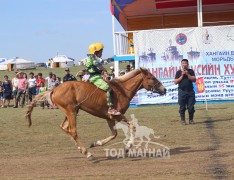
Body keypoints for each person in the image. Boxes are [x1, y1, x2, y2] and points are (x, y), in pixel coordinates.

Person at [86, 42, 120, 115]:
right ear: (96, 51)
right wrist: (104, 71)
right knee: (109, 89)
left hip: (98, 76)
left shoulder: (94, 58)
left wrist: (105, 72)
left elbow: (100, 66)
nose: (102, 53)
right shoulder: (92, 57)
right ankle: (110, 108)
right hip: (95, 78)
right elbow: (97, 65)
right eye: (101, 51)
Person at [174, 59, 196, 125]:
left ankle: (191, 120)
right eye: (183, 63)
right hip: (182, 92)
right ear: (181, 64)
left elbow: (194, 79)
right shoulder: (178, 72)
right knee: (182, 107)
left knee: (191, 107)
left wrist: (187, 74)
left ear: (188, 64)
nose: (184, 64)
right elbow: (175, 82)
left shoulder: (191, 71)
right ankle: (183, 120)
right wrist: (182, 75)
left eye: (185, 63)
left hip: (190, 92)